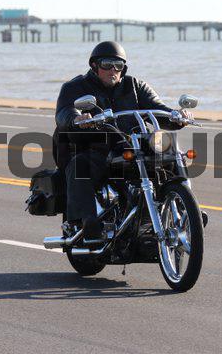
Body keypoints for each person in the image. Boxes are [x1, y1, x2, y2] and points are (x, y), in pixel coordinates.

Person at [54, 41, 193, 243]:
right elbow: (64, 112)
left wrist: (177, 116)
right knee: (80, 166)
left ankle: (186, 211)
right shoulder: (75, 87)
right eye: (107, 65)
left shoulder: (135, 86)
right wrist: (77, 118)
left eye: (118, 65)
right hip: (96, 145)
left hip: (132, 144)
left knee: (171, 153)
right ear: (94, 65)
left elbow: (158, 108)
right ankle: (86, 221)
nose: (113, 70)